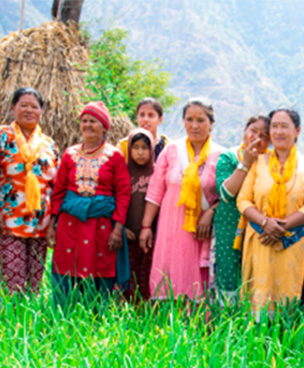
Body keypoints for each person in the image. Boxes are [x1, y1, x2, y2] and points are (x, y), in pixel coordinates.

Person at [139, 99, 224, 301]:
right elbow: (155, 191)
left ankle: (198, 325)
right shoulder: (171, 151)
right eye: (189, 119)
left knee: (197, 286)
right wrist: (146, 226)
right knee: (168, 279)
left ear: (211, 123)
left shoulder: (221, 156)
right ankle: (166, 324)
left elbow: (229, 196)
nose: (194, 125)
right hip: (170, 230)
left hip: (201, 231)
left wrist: (211, 213)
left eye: (201, 120)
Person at [47, 101, 131, 307]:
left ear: (104, 127)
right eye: (84, 121)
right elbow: (59, 191)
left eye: (93, 121)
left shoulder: (115, 156)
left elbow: (123, 194)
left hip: (100, 226)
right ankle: (64, 316)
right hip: (70, 225)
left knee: (99, 268)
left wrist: (117, 229)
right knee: (67, 267)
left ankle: (95, 317)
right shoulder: (70, 154)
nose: (87, 125)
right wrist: (51, 224)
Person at [238, 108, 304, 317]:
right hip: (260, 243)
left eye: (284, 126)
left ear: (297, 130)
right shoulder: (257, 164)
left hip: (294, 243)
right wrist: (266, 223)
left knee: (293, 312)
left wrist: (281, 226)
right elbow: (243, 200)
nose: (278, 131)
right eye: (274, 126)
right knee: (259, 311)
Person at [0, 87, 59, 295]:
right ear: (13, 108)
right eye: (23, 105)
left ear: (41, 112)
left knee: (33, 287)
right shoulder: (0, 136)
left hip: (39, 224)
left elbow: (55, 185)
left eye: (34, 106)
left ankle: (30, 327)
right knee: (10, 284)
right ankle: (8, 325)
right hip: (8, 220)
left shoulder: (49, 144)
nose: (29, 110)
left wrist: (53, 223)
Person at [213, 115, 270, 304]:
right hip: (229, 225)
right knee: (228, 272)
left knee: (256, 272)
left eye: (264, 135)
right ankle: (226, 320)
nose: (257, 137)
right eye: (253, 130)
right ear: (245, 130)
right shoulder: (228, 157)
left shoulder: (271, 163)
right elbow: (226, 193)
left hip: (259, 226)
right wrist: (245, 162)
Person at [121, 128, 155, 303]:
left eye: (145, 148)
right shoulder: (122, 172)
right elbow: (116, 202)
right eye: (136, 148)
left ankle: (147, 312)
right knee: (129, 275)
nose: (140, 152)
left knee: (147, 275)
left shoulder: (157, 173)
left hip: (151, 236)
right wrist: (121, 228)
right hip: (127, 236)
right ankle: (129, 312)